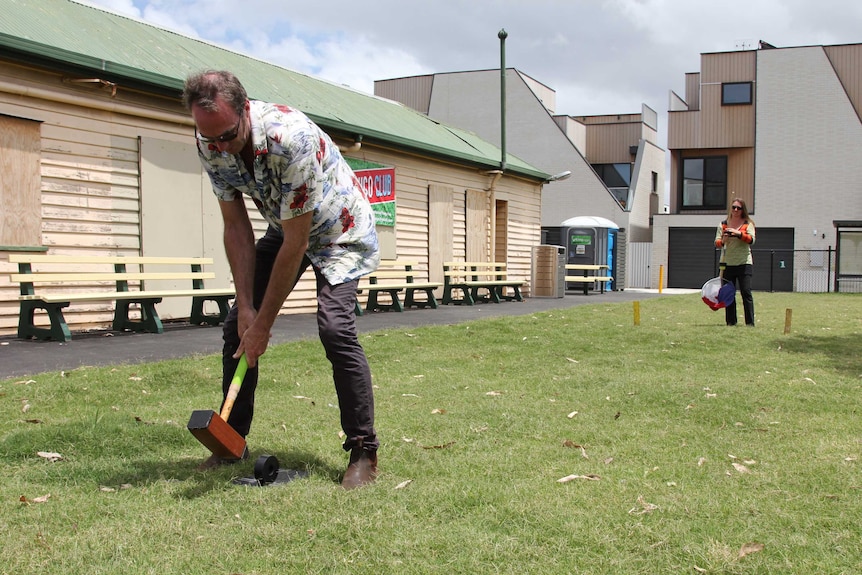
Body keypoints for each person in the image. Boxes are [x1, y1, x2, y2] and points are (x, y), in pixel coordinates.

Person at [182, 70, 381, 489]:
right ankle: (230, 441)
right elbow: (235, 226)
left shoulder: (291, 139)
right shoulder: (210, 142)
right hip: (285, 224)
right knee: (236, 327)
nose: (218, 146)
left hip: (339, 231)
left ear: (245, 109)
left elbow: (297, 243)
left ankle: (364, 450)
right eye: (209, 137)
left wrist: (264, 325)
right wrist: (247, 310)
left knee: (335, 329)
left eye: (227, 135)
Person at [714, 198, 756, 326]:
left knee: (746, 292)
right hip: (727, 264)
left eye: (739, 208)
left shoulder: (748, 224)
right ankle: (731, 322)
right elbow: (717, 243)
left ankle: (750, 323)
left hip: (744, 263)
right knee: (729, 293)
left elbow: (751, 240)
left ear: (743, 210)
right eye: (733, 207)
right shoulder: (723, 224)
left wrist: (738, 234)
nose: (736, 210)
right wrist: (724, 240)